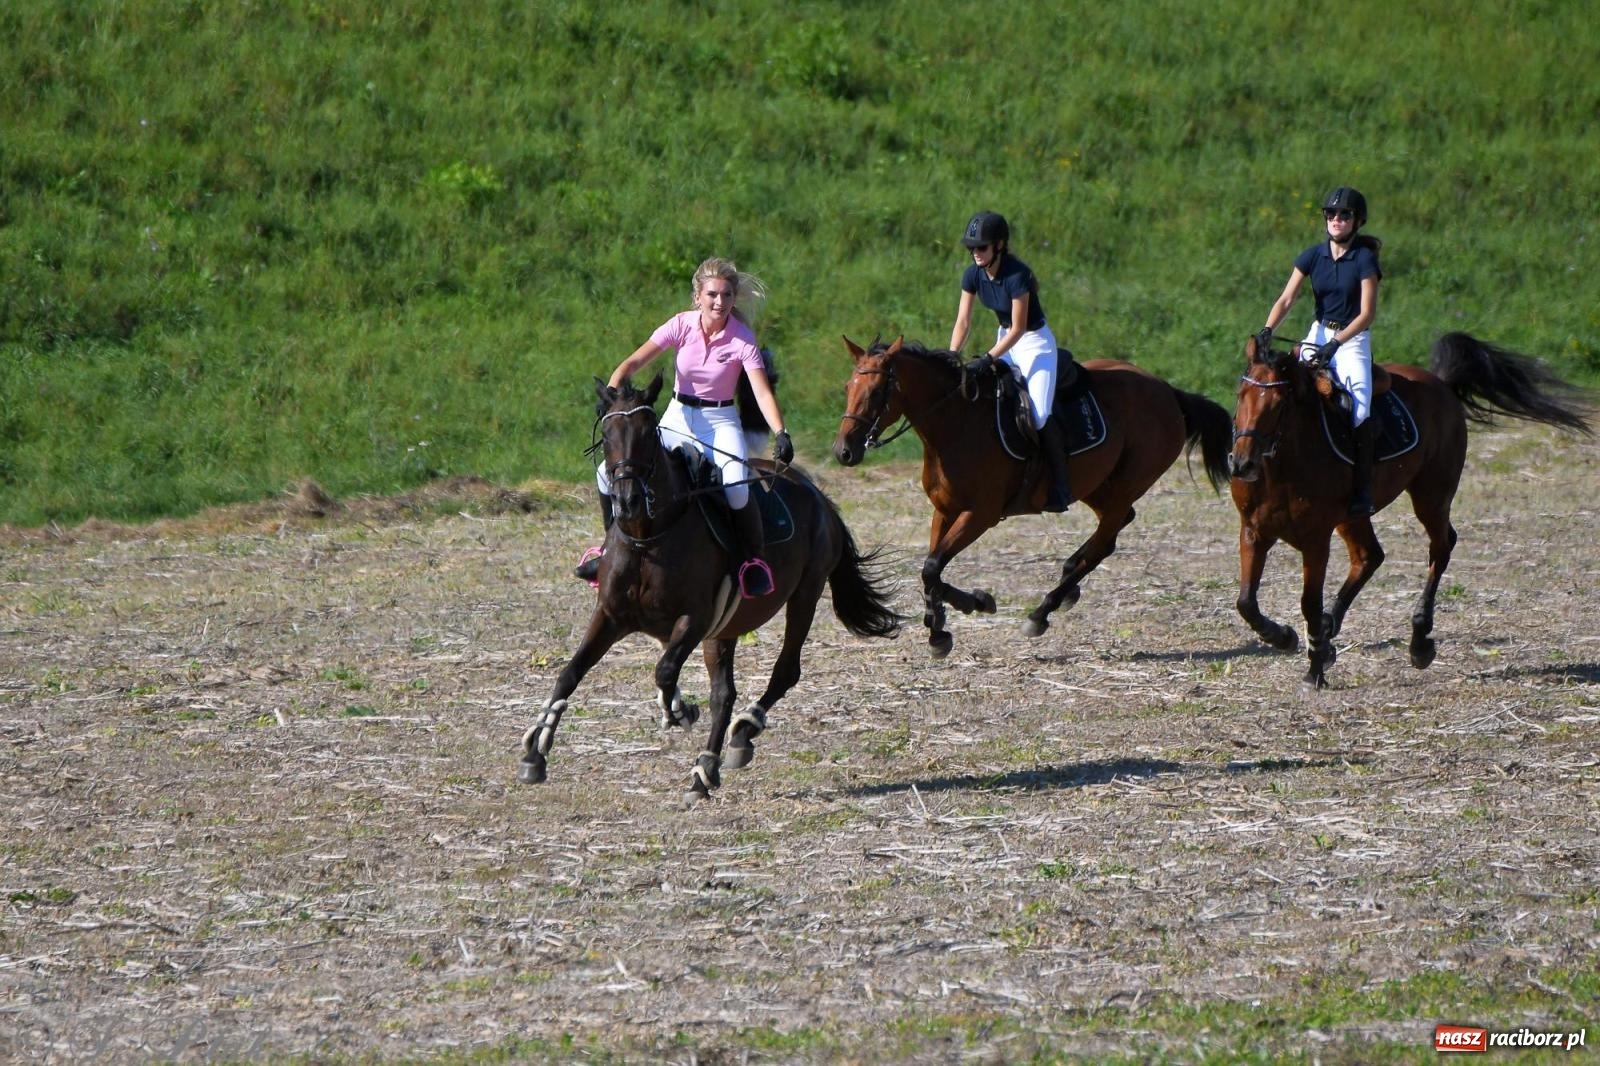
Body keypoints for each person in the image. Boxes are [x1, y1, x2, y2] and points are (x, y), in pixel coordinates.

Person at [575, 257, 793, 598]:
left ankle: (752, 561)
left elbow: (762, 392)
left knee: (736, 485)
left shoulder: (742, 339)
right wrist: (613, 398)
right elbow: (632, 362)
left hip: (719, 422)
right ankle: (607, 551)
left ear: (734, 299)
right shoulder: (680, 325)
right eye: (712, 295)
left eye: (726, 295)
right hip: (678, 416)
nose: (719, 302)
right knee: (607, 473)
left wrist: (781, 432)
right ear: (698, 297)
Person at [1256, 186, 1383, 516]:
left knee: (1359, 407)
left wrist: (1336, 344)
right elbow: (1286, 299)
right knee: (1277, 385)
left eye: (1344, 215)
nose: (1337, 219)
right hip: (1320, 331)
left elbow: (1367, 313)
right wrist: (1268, 330)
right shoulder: (1313, 255)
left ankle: (1362, 488)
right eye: (1331, 214)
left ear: (1358, 221)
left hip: (1351, 340)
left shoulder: (1365, 260)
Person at [947, 210, 1073, 512]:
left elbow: (1019, 327)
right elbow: (963, 320)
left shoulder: (1018, 275)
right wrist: (951, 356)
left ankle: (1060, 484)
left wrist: (989, 356)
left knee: (1040, 415)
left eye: (982, 247)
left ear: (999, 245)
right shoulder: (973, 274)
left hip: (1033, 343)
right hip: (1005, 337)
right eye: (972, 248)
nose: (976, 253)